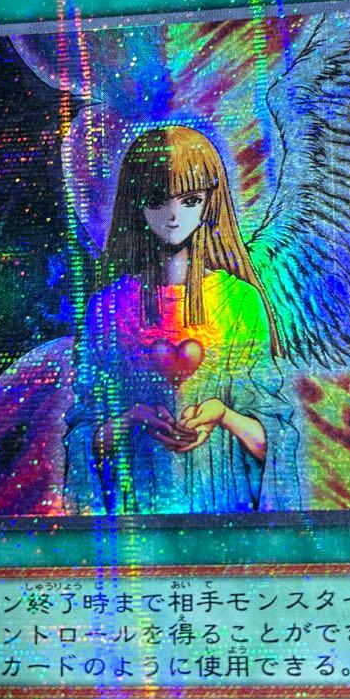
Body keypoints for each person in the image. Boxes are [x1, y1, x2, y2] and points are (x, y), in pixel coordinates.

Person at [63, 125, 301, 515]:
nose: (173, 216)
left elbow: (271, 440)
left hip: (223, 508)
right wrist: (133, 418)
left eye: (190, 200)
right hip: (137, 510)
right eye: (157, 200)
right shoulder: (108, 307)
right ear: (136, 205)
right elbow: (84, 437)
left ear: (210, 203)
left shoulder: (240, 301)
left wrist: (223, 415)